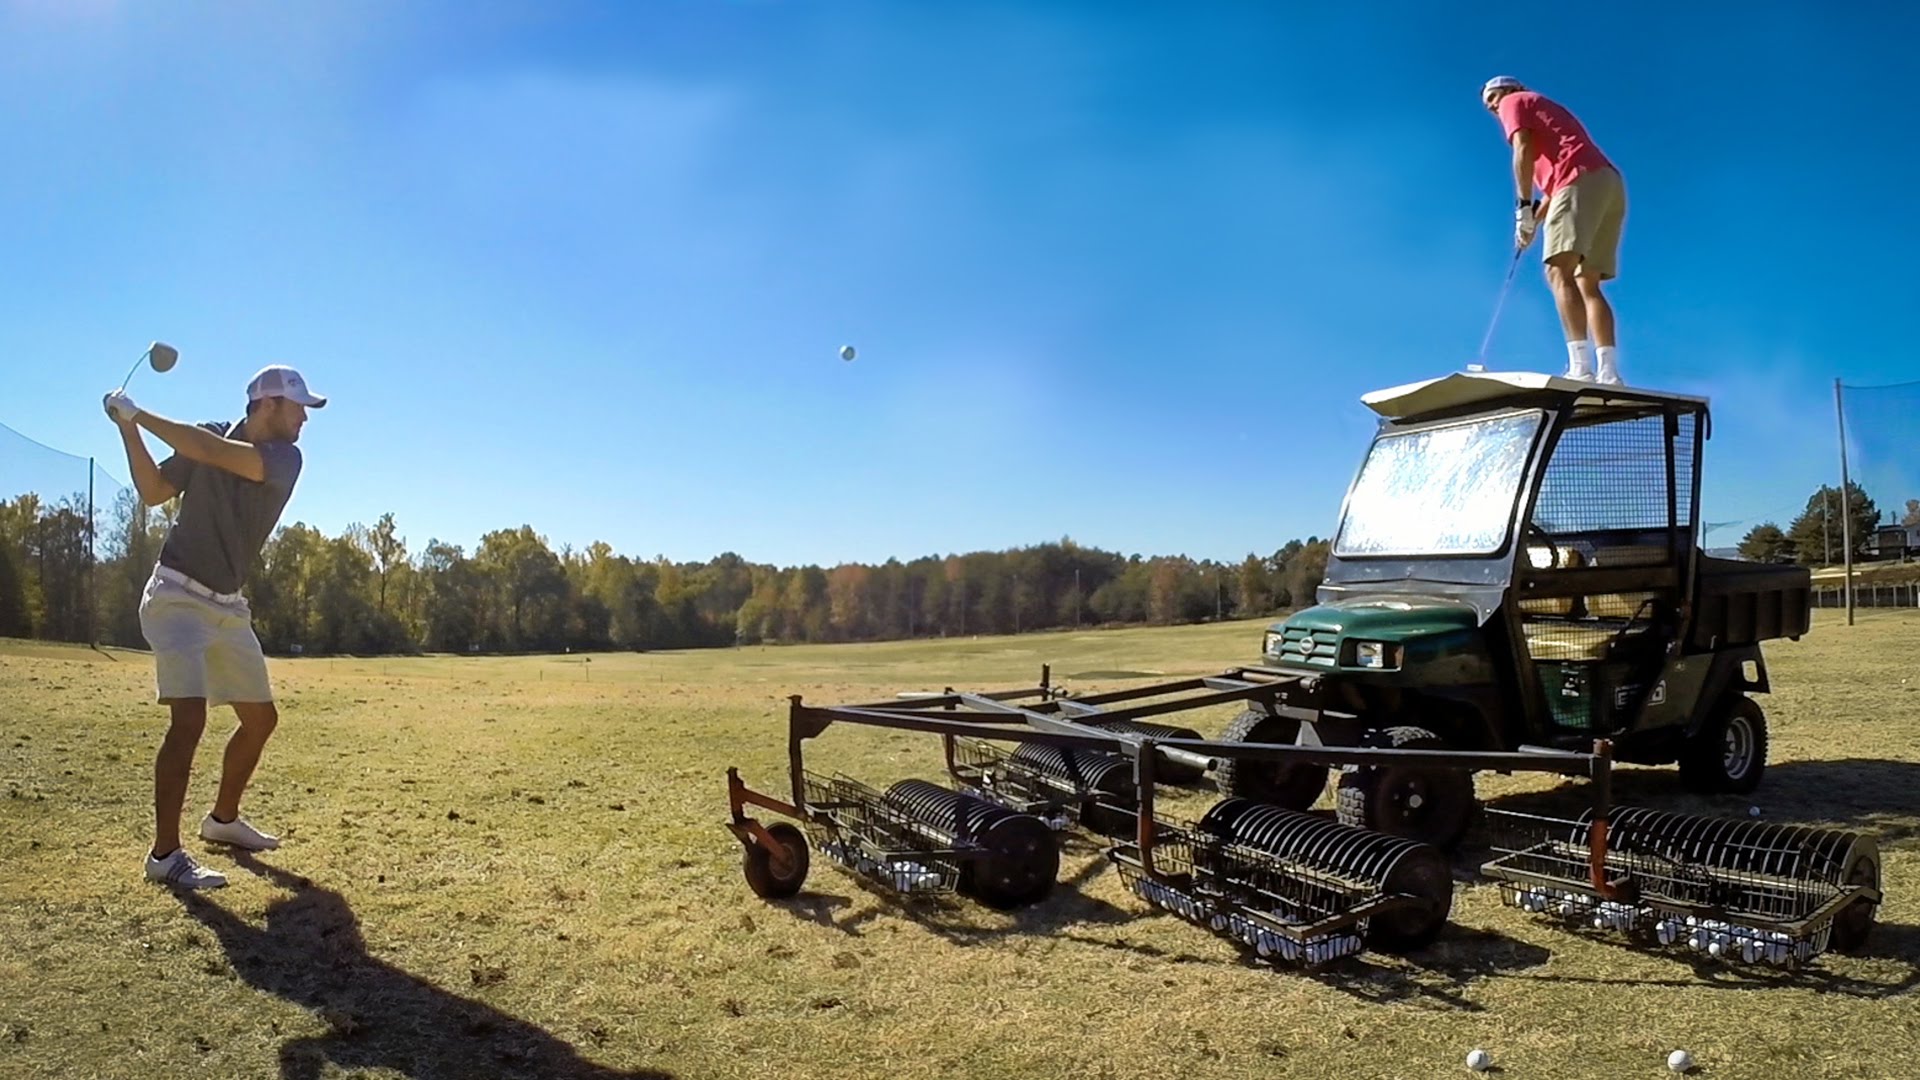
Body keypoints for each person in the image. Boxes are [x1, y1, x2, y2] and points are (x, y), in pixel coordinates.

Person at [103, 364, 327, 888]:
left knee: (261, 719)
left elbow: (213, 452)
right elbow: (154, 490)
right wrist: (128, 429)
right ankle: (164, 856)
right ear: (267, 405)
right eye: (298, 407)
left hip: (227, 605)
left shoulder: (284, 458)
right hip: (176, 595)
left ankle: (222, 820)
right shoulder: (209, 437)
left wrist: (139, 412)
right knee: (189, 719)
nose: (304, 419)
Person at [1482, 76, 1629, 385]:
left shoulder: (1515, 101)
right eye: (1489, 104)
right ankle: (1609, 372)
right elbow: (1553, 191)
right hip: (1607, 183)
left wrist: (1523, 208)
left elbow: (1521, 149)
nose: (1493, 106)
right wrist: (1532, 223)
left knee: (1557, 271)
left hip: (1577, 181)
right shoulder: (1544, 113)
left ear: (1511, 90)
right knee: (1587, 282)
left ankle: (1580, 368)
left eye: (1494, 97)